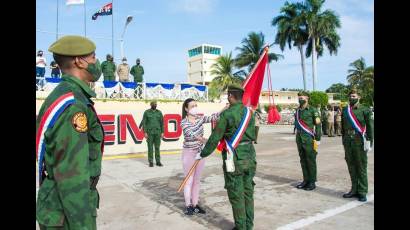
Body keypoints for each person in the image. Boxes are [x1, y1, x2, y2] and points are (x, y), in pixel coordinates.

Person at [36, 35, 103, 229]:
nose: (95, 62)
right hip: (68, 214)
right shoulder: (73, 105)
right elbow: (72, 176)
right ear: (79, 61)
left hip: (61, 209)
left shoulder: (69, 95)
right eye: (92, 57)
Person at [197, 85, 257, 230]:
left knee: (236, 193)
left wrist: (203, 153)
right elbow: (255, 134)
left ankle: (241, 227)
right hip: (250, 156)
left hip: (233, 158)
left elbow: (215, 137)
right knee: (248, 192)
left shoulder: (227, 114)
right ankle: (249, 226)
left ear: (230, 96)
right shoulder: (250, 113)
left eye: (228, 95)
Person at [180, 98, 226, 215]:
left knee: (197, 180)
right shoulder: (183, 122)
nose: (195, 108)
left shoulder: (200, 119)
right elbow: (191, 134)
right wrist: (204, 139)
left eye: (196, 105)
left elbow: (213, 117)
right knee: (188, 180)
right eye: (192, 106)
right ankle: (188, 205)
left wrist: (224, 108)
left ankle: (195, 204)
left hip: (200, 154)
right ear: (186, 109)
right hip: (189, 153)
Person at [341, 88, 373, 202]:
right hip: (348, 142)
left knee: (361, 166)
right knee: (351, 166)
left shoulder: (365, 110)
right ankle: (354, 189)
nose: (352, 98)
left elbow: (370, 127)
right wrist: (343, 141)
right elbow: (343, 127)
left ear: (359, 97)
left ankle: (362, 191)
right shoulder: (345, 110)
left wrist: (369, 142)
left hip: (359, 141)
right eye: (350, 96)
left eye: (354, 96)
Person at [294, 91, 322, 191]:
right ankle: (305, 180)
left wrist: (318, 139)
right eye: (299, 98)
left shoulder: (313, 110)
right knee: (303, 160)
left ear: (307, 98)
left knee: (310, 160)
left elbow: (318, 125)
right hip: (299, 138)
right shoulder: (297, 111)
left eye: (302, 98)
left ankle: (312, 182)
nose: (300, 99)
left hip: (309, 138)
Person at [142, 101, 164, 167]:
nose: (155, 105)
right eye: (153, 104)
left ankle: (158, 161)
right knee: (150, 147)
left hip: (158, 132)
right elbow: (144, 123)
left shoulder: (159, 112)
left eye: (155, 104)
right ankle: (151, 161)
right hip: (150, 133)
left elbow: (162, 123)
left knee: (157, 147)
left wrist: (162, 132)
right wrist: (145, 132)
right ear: (150, 105)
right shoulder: (146, 112)